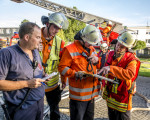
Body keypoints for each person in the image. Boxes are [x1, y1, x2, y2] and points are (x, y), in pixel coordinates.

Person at [0, 22, 46, 120]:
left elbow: (38, 69)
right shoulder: (7, 54)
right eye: (38, 37)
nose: (40, 40)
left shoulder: (36, 52)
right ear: (26, 37)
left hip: (39, 103)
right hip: (21, 109)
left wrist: (44, 76)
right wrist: (27, 83)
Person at [58, 25, 103, 120]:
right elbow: (62, 68)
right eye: (89, 43)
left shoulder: (92, 49)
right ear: (82, 39)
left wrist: (97, 60)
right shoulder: (70, 49)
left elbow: (97, 66)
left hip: (91, 95)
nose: (91, 45)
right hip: (78, 97)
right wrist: (75, 74)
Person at [98, 32, 141, 120]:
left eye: (122, 47)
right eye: (118, 45)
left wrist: (111, 69)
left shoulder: (131, 59)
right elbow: (103, 66)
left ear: (127, 48)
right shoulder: (110, 54)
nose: (118, 48)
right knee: (112, 116)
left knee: (123, 117)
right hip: (111, 94)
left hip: (123, 95)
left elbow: (130, 74)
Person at [40, 12, 69, 120]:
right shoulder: (35, 36)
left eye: (59, 28)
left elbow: (62, 63)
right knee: (33, 109)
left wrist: (64, 80)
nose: (57, 31)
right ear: (47, 24)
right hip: (35, 81)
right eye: (55, 27)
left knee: (54, 110)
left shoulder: (60, 42)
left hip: (51, 83)